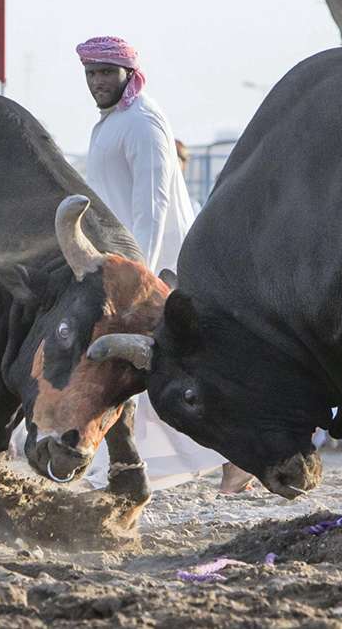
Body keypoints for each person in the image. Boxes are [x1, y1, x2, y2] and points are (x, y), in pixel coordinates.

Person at [77, 36, 224, 490]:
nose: (98, 81)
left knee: (169, 367)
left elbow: (153, 206)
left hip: (155, 269)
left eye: (107, 72)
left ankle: (233, 458)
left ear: (128, 74)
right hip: (125, 264)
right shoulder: (110, 123)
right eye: (92, 73)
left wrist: (135, 277)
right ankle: (119, 466)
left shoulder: (142, 122)